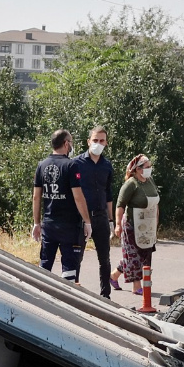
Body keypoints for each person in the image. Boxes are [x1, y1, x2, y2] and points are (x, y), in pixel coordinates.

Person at [32, 130, 91, 283]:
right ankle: (68, 301)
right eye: (70, 142)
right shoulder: (71, 166)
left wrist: (36, 223)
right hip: (69, 226)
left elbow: (36, 197)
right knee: (69, 267)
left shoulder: (41, 165)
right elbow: (78, 197)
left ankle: (40, 295)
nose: (71, 145)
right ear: (66, 143)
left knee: (45, 265)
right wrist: (87, 221)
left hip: (49, 224)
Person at [73, 126, 116, 297]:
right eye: (95, 140)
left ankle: (106, 295)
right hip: (82, 218)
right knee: (77, 257)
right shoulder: (76, 163)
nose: (98, 144)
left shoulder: (107, 165)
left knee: (104, 259)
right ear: (88, 141)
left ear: (106, 143)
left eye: (102, 141)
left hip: (101, 217)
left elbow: (109, 194)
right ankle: (73, 292)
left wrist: (111, 220)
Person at [115, 154, 159, 296]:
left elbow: (155, 202)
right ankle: (136, 286)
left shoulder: (150, 181)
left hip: (148, 225)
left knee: (145, 254)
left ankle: (113, 276)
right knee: (134, 256)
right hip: (132, 225)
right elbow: (120, 205)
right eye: (147, 167)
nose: (149, 169)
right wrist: (117, 225)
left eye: (150, 166)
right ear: (138, 169)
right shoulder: (131, 184)